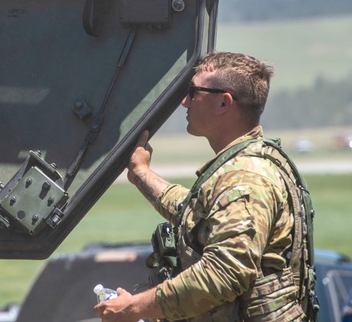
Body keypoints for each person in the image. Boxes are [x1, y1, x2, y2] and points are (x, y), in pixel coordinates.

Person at [95, 52, 313, 322]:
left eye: (193, 92)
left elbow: (223, 273)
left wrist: (134, 308)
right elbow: (195, 213)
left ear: (224, 102)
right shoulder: (243, 167)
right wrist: (141, 173)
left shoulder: (246, 177)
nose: (185, 102)